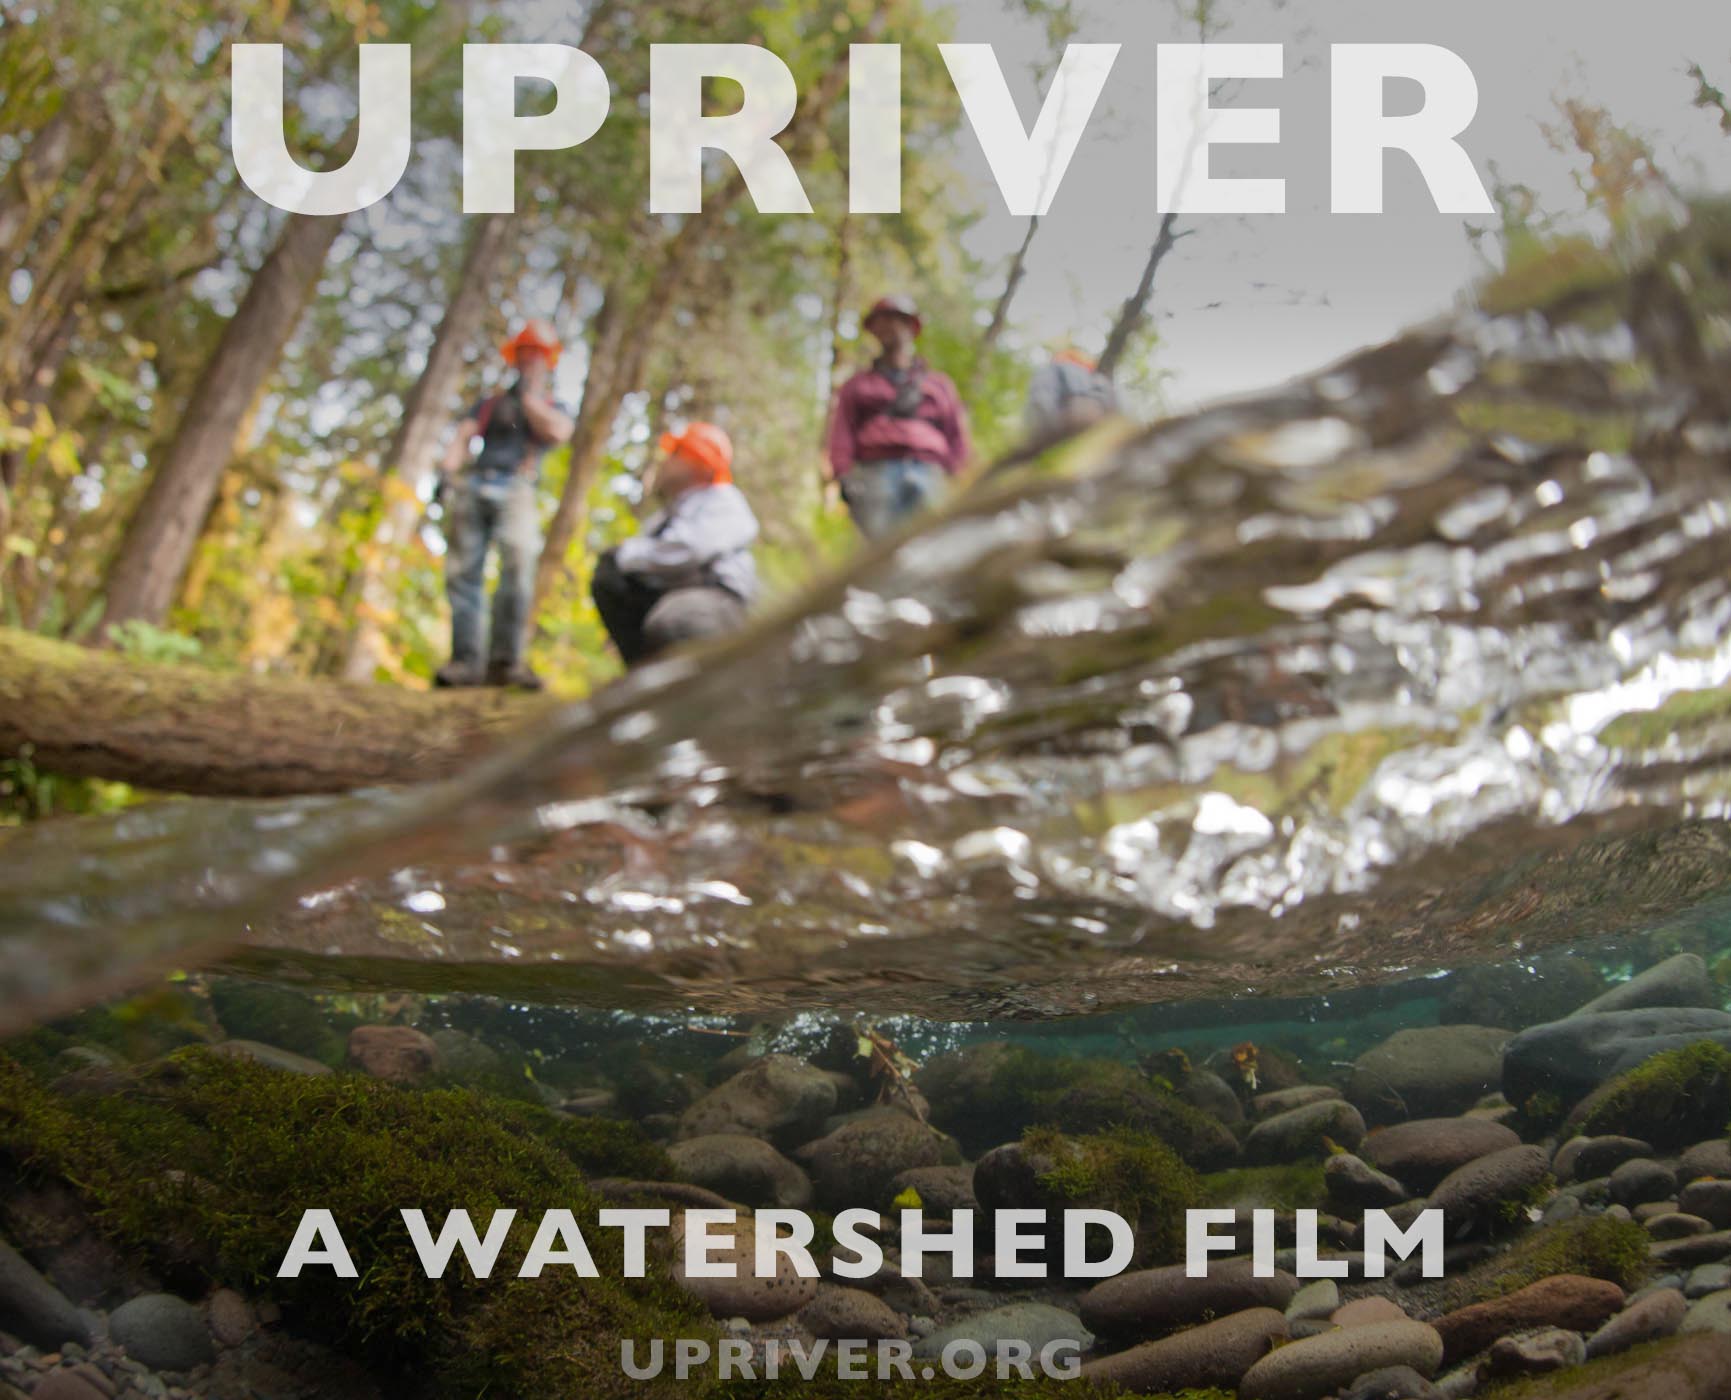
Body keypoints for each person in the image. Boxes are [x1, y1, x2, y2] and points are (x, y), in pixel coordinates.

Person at [434, 319, 575, 691]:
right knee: (464, 572)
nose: (529, 360)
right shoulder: (491, 403)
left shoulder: (550, 405)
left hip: (518, 488)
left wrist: (528, 397)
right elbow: (464, 435)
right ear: (514, 358)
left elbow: (557, 432)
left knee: (517, 564)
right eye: (524, 354)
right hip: (476, 482)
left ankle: (505, 663)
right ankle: (465, 663)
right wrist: (447, 473)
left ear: (548, 361)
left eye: (537, 355)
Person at [591, 422, 759, 666]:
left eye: (675, 454)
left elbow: (688, 550)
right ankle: (642, 675)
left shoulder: (723, 500)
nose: (665, 461)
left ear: (697, 462)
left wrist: (626, 554)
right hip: (670, 595)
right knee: (609, 576)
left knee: (675, 621)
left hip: (718, 599)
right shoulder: (668, 514)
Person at [825, 294, 970, 539]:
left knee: (934, 546)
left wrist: (957, 476)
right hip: (874, 474)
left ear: (910, 327)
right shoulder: (858, 385)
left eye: (894, 321)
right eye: (880, 323)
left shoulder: (939, 385)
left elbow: (956, 435)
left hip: (930, 472)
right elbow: (842, 432)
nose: (887, 328)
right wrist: (843, 475)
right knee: (882, 552)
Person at [1025, 345, 1119, 442]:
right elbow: (1117, 407)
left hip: (1064, 427)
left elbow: (1040, 400)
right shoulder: (1099, 379)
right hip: (1102, 432)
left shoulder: (1052, 370)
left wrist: (1040, 436)